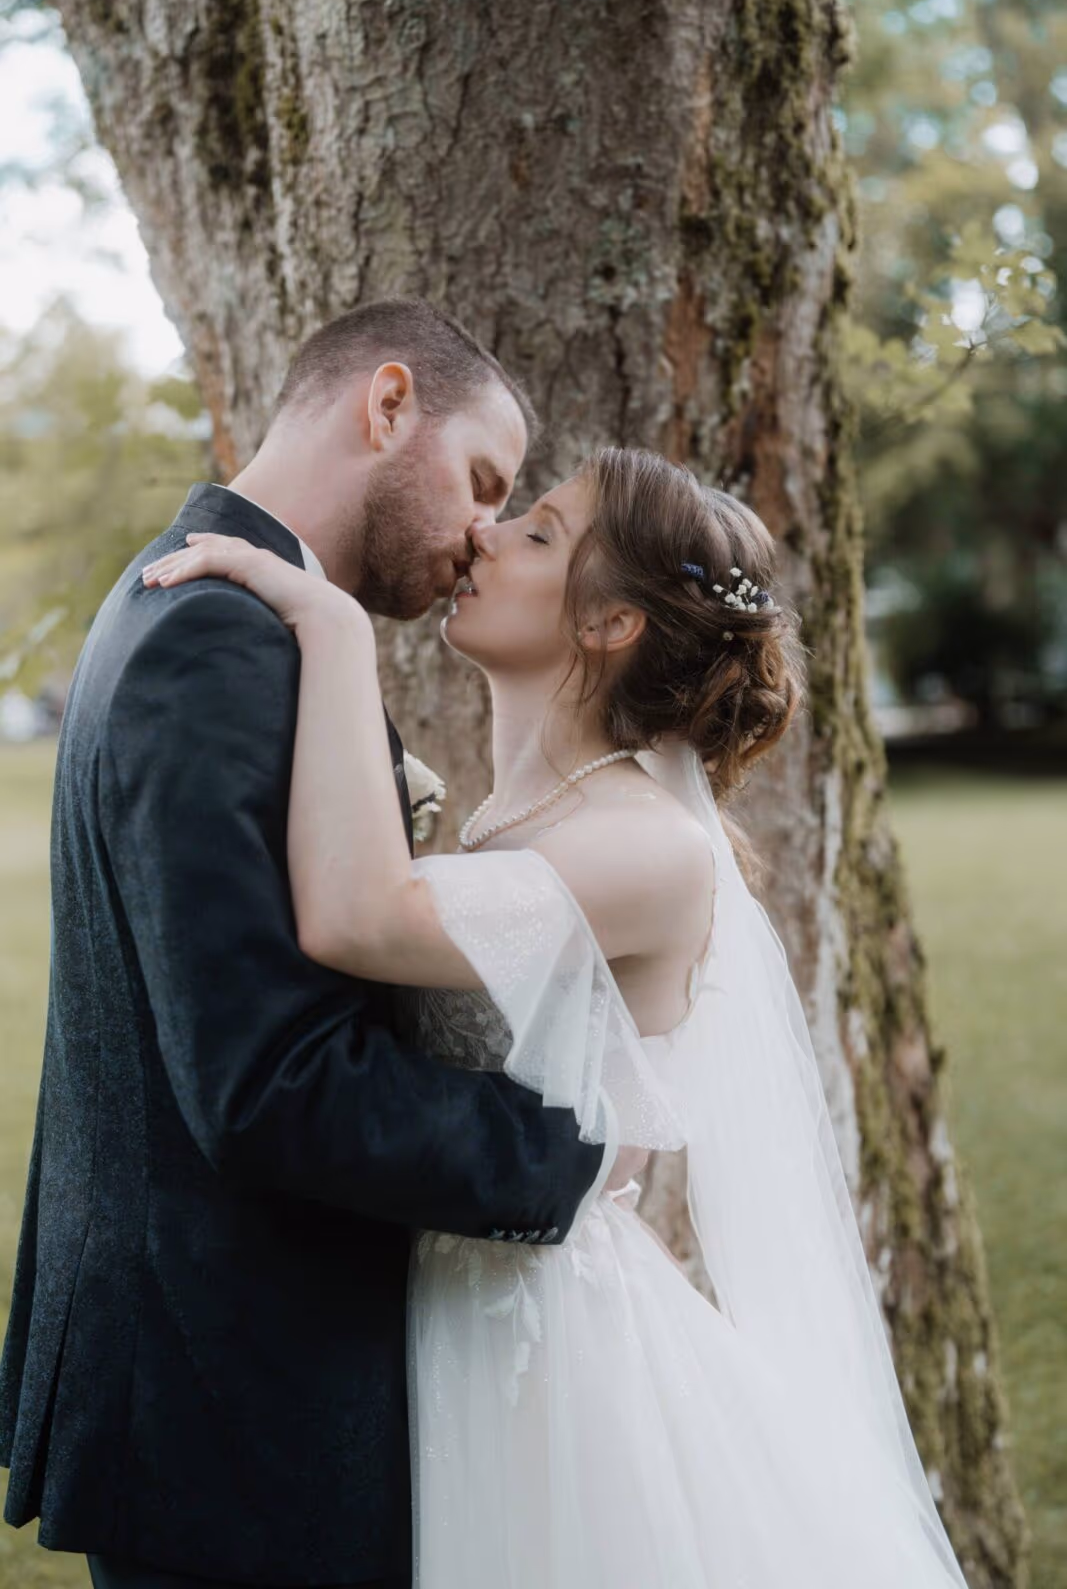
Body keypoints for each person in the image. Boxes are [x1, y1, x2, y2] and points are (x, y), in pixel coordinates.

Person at [142, 446, 973, 1588]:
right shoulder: (515, 820)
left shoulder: (650, 848)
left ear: (609, 624)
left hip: (545, 1349)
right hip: (440, 1306)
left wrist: (331, 627)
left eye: (534, 533)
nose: (483, 537)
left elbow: (355, 919)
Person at [0, 301, 637, 1589]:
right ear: (387, 403)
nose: (479, 534)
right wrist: (569, 1156)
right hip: (233, 1396)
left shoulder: (214, 603)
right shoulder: (216, 638)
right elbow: (269, 1086)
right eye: (480, 482)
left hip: (210, 1376)